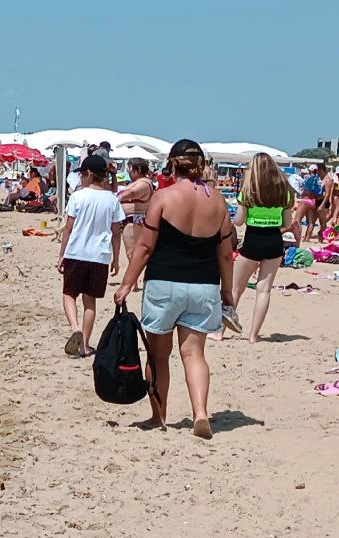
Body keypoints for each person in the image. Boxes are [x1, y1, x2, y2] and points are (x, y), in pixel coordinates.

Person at [114, 139, 236, 440]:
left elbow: (144, 246)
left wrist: (127, 284)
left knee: (158, 356)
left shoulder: (164, 197)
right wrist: (227, 292)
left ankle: (159, 416)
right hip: (204, 286)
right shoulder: (218, 202)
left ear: (172, 164)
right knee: (194, 354)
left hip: (164, 284)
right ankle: (201, 413)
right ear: (201, 165)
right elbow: (225, 253)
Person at [58, 154, 124, 358]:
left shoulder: (78, 196)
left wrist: (61, 255)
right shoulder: (112, 199)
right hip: (99, 256)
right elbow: (116, 233)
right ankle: (85, 346)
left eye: (81, 175)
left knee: (69, 294)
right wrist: (116, 259)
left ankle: (75, 327)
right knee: (90, 301)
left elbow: (68, 229)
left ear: (87, 174)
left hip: (76, 252)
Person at [225, 153, 292, 343]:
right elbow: (287, 222)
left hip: (253, 238)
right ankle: (253, 335)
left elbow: (239, 221)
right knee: (264, 290)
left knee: (235, 288)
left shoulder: (248, 190)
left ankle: (219, 332)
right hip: (274, 239)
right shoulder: (284, 191)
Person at [117, 158, 155, 260]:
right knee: (132, 253)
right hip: (131, 221)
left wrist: (116, 198)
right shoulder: (138, 182)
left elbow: (132, 193)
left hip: (134, 222)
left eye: (130, 168)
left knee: (132, 254)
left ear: (138, 169)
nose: (129, 171)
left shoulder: (144, 183)